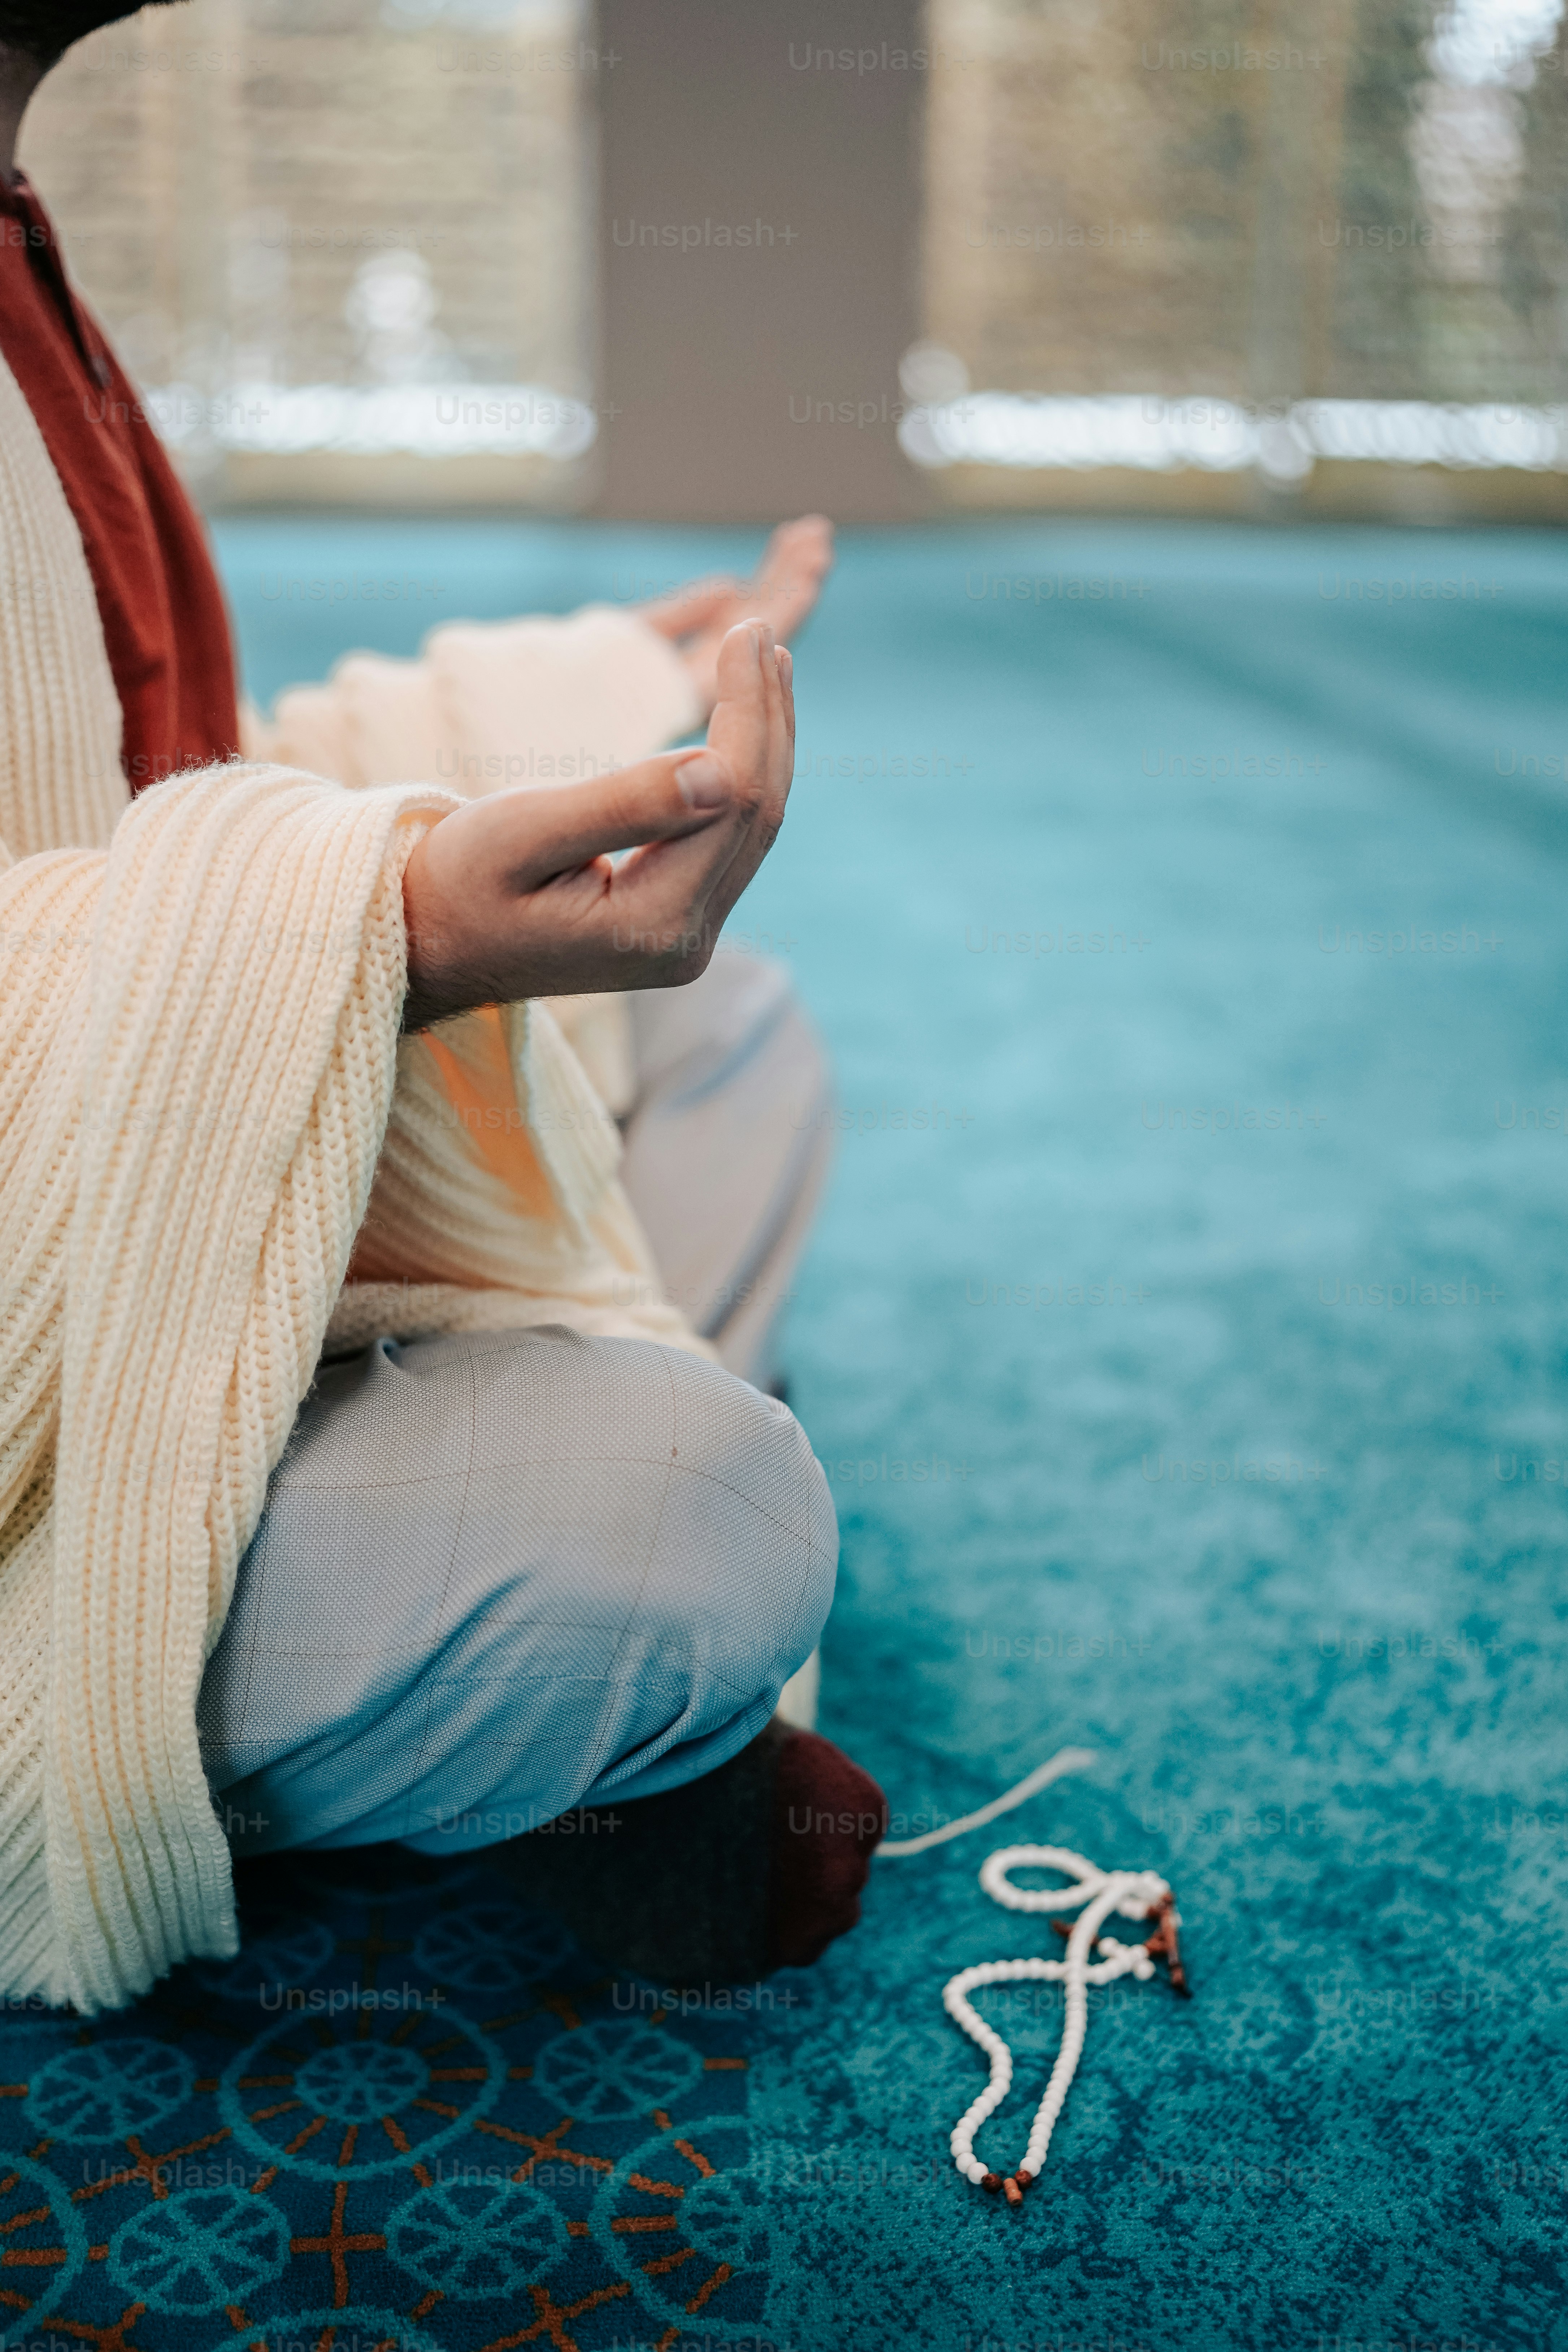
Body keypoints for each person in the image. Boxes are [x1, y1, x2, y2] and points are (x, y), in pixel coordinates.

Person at [0, 0, 885, 2017]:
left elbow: (153, 784)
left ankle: (538, 1664)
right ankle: (548, 1698)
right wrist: (391, 932)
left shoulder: (13, 248)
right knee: (701, 1513)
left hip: (119, 1193)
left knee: (733, 1042)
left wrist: (560, 699)